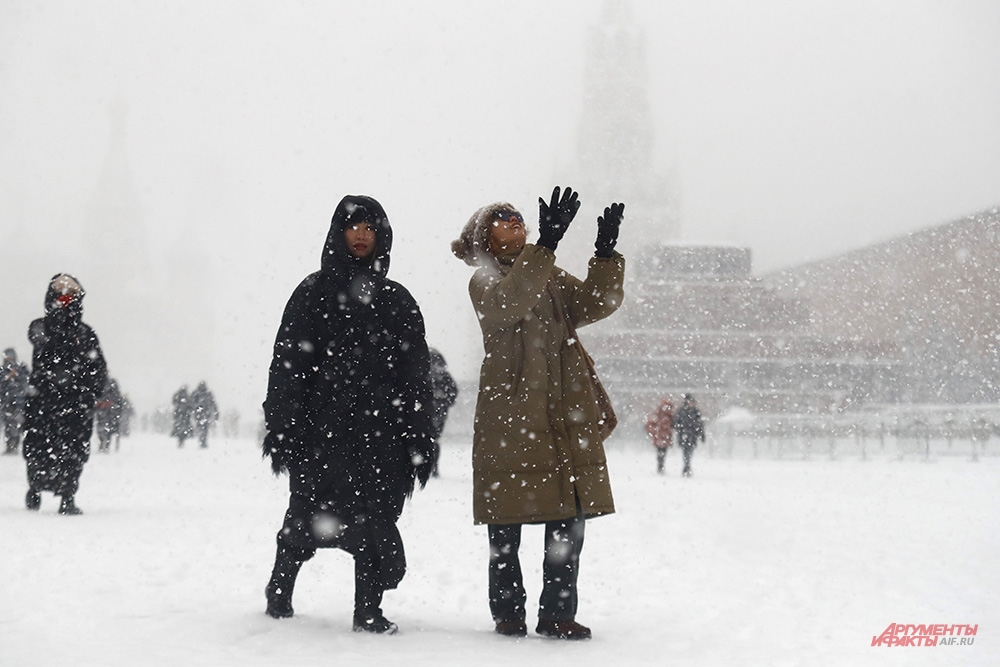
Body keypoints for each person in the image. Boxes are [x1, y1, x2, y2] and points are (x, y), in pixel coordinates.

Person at [451, 186, 625, 640]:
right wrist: (545, 247)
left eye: (517, 214)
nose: (515, 219)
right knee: (505, 527)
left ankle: (557, 615)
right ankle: (508, 615)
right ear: (483, 238)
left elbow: (594, 305)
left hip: (558, 418)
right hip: (509, 421)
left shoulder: (546, 273)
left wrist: (604, 257)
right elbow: (511, 301)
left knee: (567, 519)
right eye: (502, 216)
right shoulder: (484, 281)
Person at [261, 194, 436, 634]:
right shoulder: (312, 291)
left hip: (380, 435)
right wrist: (284, 424)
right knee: (304, 518)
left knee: (374, 523)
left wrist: (418, 433)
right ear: (338, 233)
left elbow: (415, 376)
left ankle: (368, 610)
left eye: (370, 227)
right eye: (353, 226)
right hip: (321, 431)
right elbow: (288, 364)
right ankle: (280, 591)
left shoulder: (398, 301)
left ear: (382, 236)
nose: (361, 235)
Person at [22, 274, 108, 515]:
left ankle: (67, 496)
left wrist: (90, 392)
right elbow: (43, 343)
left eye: (71, 296)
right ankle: (36, 487)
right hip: (44, 401)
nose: (66, 301)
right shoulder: (41, 326)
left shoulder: (85, 332)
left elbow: (98, 367)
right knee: (38, 447)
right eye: (61, 295)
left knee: (74, 451)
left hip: (75, 403)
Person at [427, 348, 458, 477]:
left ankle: (432, 468)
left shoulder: (444, 378)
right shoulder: (423, 376)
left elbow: (453, 393)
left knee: (433, 440)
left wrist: (441, 400)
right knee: (431, 440)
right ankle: (428, 468)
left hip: (437, 413)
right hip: (429, 413)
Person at [1, 347, 30, 455]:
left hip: (19, 403)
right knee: (9, 426)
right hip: (6, 403)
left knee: (16, 425)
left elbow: (27, 382)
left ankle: (15, 446)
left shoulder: (21, 368)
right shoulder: (2, 371)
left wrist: (17, 376)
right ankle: (10, 446)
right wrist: (6, 378)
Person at [674, 394, 705, 477]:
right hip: (685, 435)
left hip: (691, 436)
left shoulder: (695, 412)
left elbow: (700, 424)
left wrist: (701, 434)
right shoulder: (682, 412)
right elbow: (676, 423)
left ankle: (687, 466)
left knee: (689, 451)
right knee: (686, 451)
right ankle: (686, 466)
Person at [95, 377, 124, 453]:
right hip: (109, 416)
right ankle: (105, 445)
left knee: (105, 432)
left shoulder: (105, 393)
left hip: (106, 416)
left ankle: (103, 445)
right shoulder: (115, 395)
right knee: (108, 432)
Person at [646, 398, 674, 474]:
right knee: (661, 453)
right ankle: (660, 466)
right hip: (661, 437)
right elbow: (650, 425)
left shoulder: (668, 416)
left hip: (663, 437)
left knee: (662, 453)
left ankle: (660, 466)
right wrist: (654, 431)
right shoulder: (661, 415)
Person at [190, 381, 219, 448]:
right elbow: (213, 404)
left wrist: (192, 410)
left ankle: (202, 440)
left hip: (199, 414)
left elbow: (191, 403)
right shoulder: (207, 393)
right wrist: (216, 413)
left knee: (201, 427)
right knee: (204, 428)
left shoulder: (197, 393)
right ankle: (203, 440)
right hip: (205, 414)